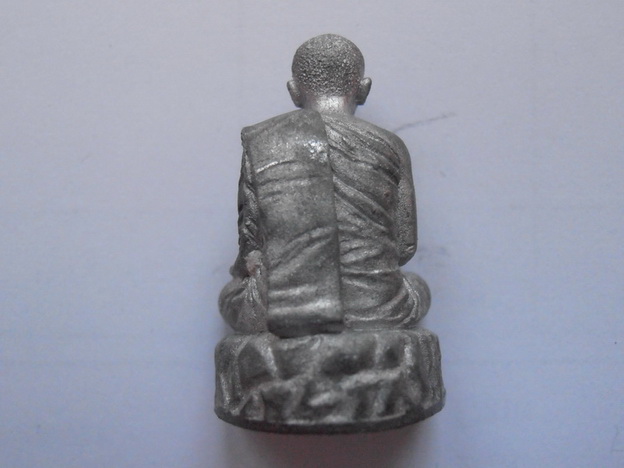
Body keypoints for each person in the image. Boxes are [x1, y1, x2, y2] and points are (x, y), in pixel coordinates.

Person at [219, 34, 430, 338]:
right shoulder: (391, 145)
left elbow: (251, 243)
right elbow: (404, 247)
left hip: (279, 309)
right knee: (417, 287)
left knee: (231, 297)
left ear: (293, 92)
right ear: (364, 88)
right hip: (378, 306)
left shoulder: (264, 140)